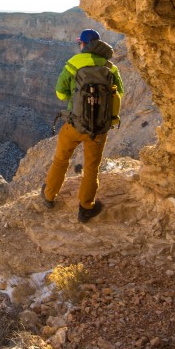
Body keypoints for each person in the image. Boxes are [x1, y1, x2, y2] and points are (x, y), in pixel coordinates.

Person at [41, 29, 124, 222]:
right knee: (91, 169)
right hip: (98, 129)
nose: (79, 46)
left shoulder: (73, 64)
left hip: (74, 125)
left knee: (61, 160)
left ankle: (49, 196)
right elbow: (119, 93)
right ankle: (86, 208)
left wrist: (77, 97)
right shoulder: (111, 67)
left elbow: (60, 94)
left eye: (80, 43)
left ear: (84, 44)